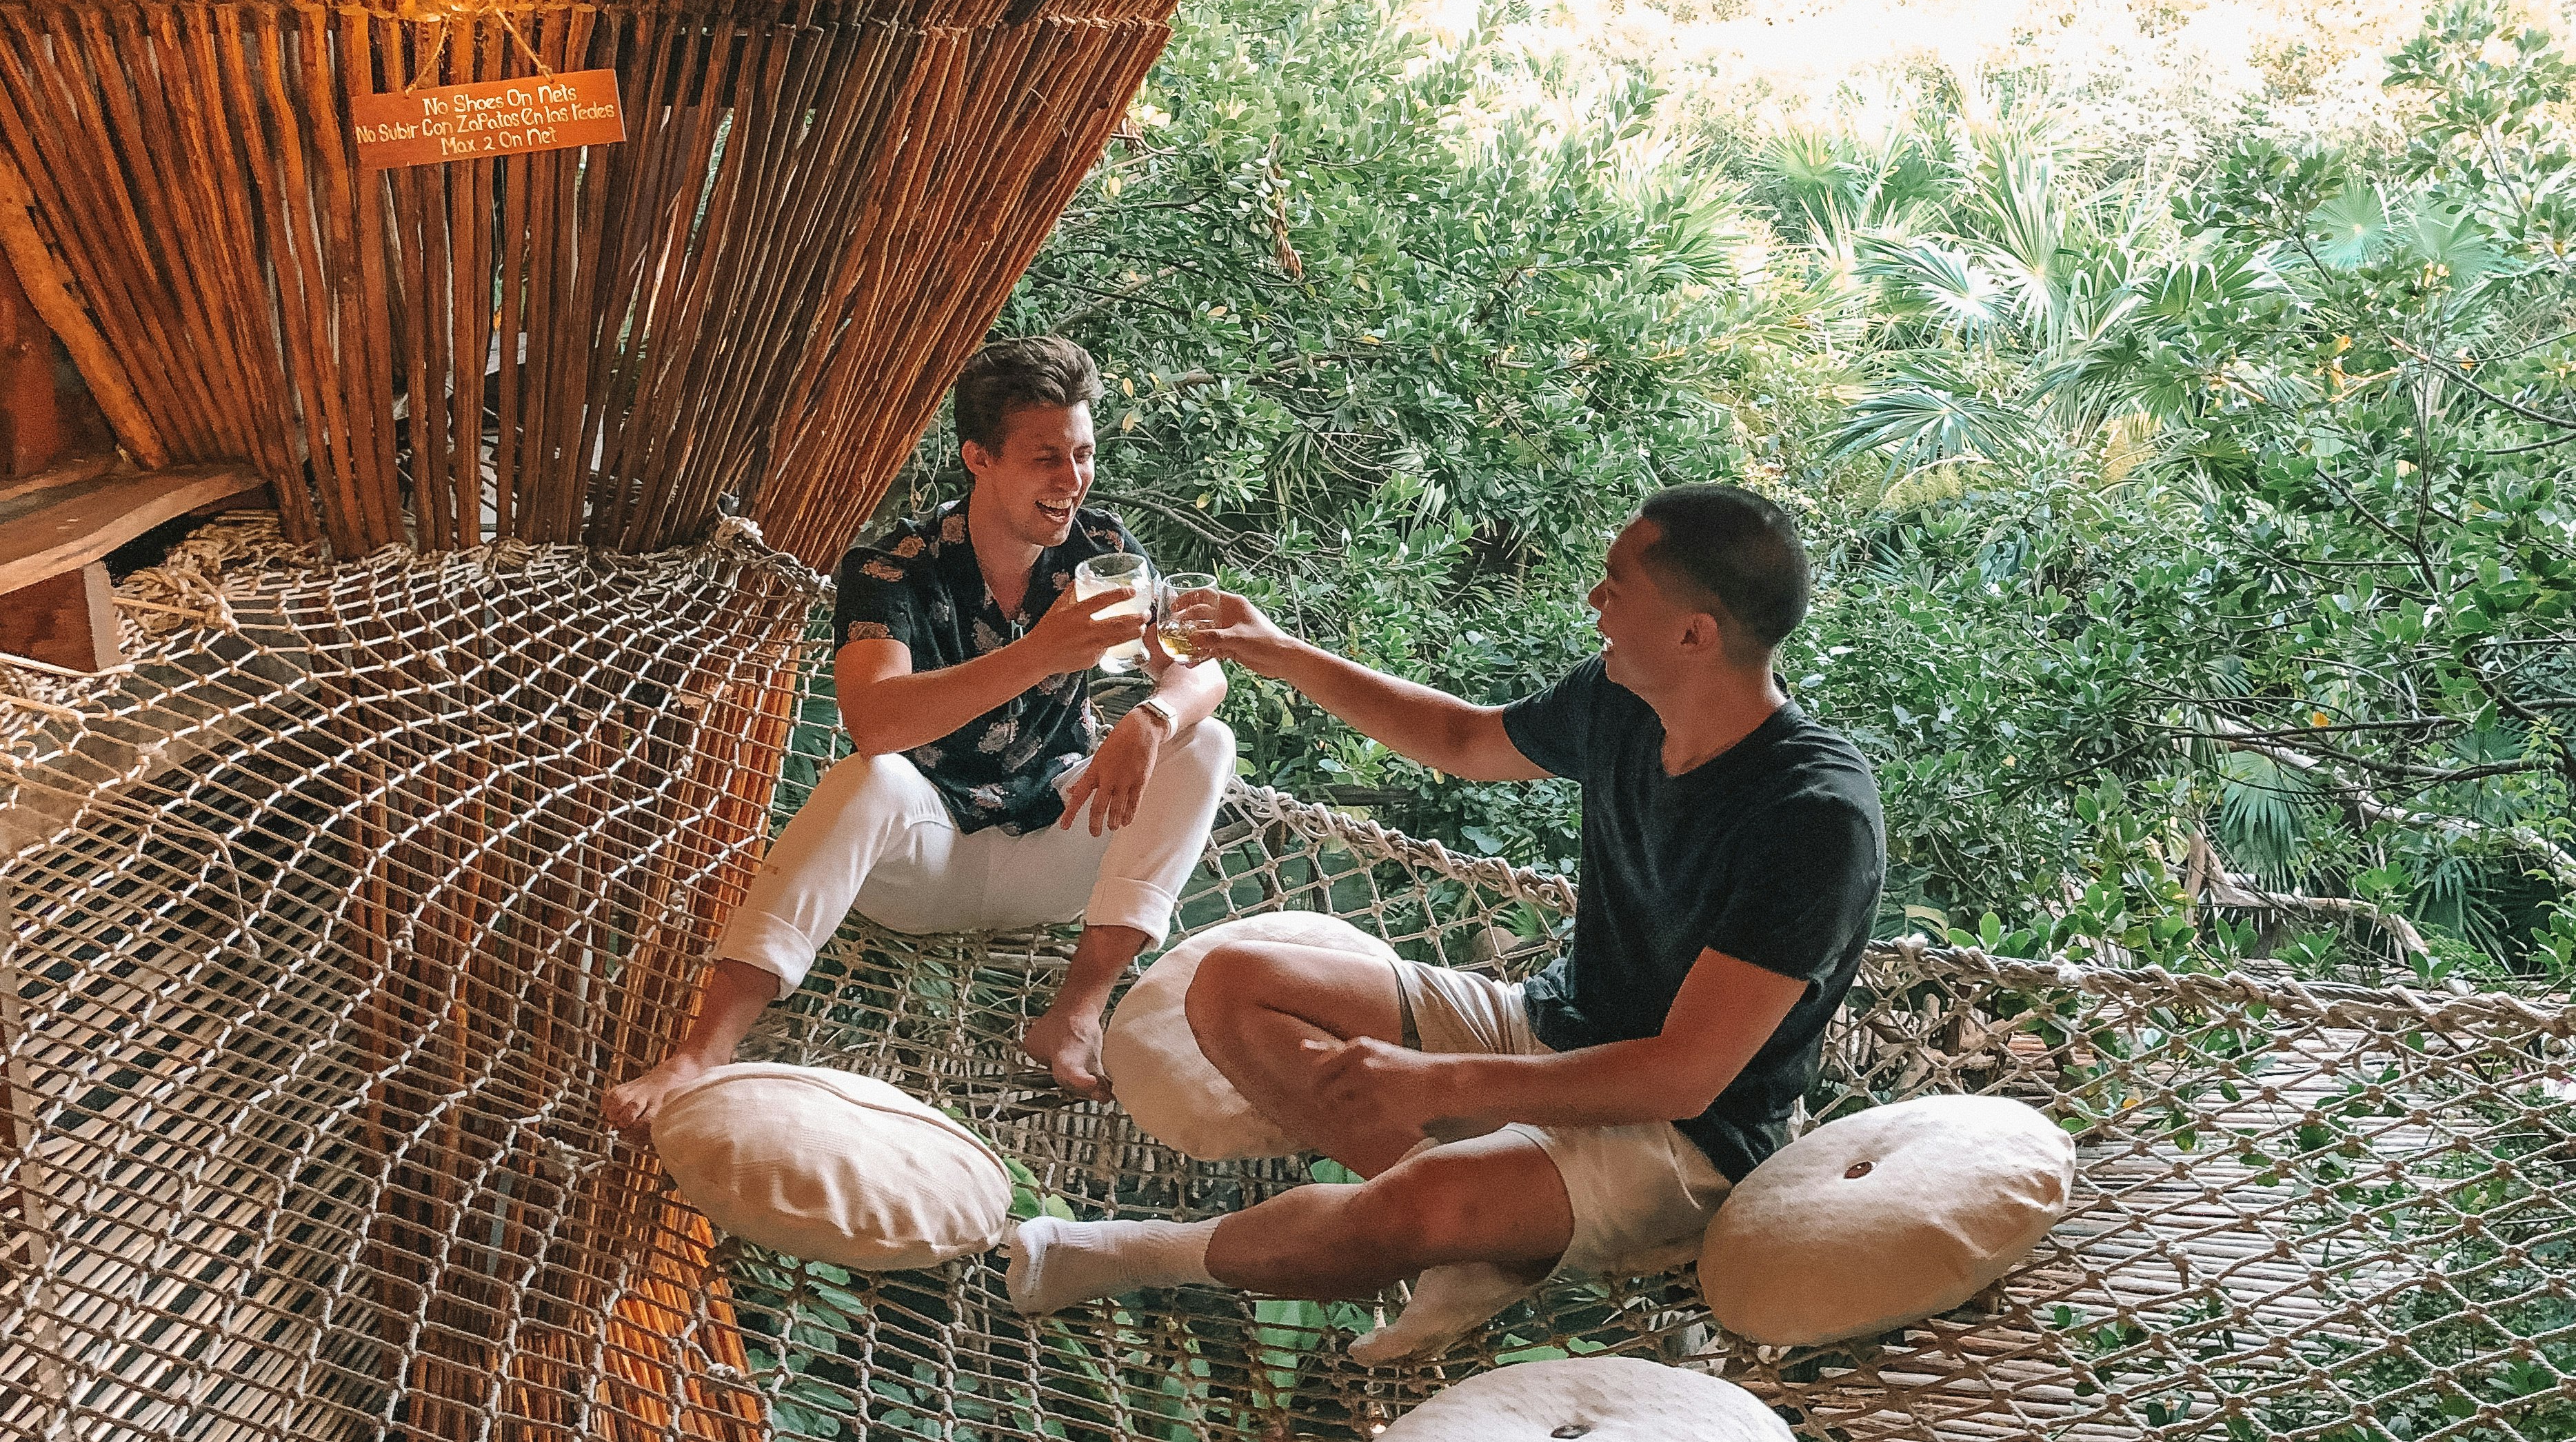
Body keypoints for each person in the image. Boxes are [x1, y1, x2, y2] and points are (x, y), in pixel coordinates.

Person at [1005, 484, 1882, 1355]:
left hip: (1690, 1137)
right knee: (1234, 984)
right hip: (1554, 1024)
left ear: (1695, 633)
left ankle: (1120, 1253)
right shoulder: (1622, 699)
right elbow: (1465, 742)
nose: (1594, 601)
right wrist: (1282, 653)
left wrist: (1444, 1084)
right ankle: (1477, 1238)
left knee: (1406, 1210)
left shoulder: (1811, 818)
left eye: (1616, 584)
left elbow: (1680, 1077)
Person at [605, 337, 1232, 1132]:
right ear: (979, 456)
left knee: (1206, 742)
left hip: (1057, 845)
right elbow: (876, 721)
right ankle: (703, 1050)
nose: (1071, 482)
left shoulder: (1100, 550)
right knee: (869, 780)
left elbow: (1202, 670)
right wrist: (1038, 653)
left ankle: (1076, 1010)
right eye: (1047, 458)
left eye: (1083, 455)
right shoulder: (894, 565)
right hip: (924, 862)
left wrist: (1151, 716)